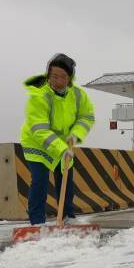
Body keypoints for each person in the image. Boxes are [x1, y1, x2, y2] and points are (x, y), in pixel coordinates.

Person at [20, 53, 95, 225]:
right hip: (38, 143)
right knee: (40, 181)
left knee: (66, 179)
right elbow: (39, 128)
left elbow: (86, 117)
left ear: (70, 78)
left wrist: (75, 134)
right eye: (54, 76)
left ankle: (67, 217)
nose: (58, 81)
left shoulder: (77, 95)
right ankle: (37, 221)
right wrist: (61, 149)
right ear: (48, 75)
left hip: (63, 143)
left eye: (62, 77)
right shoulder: (40, 96)